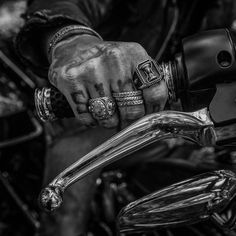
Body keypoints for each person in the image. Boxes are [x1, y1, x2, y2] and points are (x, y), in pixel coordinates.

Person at [15, 0, 236, 235]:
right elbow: (63, 4)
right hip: (91, 114)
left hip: (175, 117)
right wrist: (73, 41)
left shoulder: (223, 5)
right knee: (65, 215)